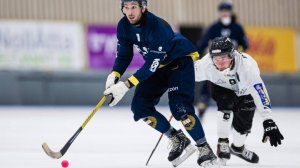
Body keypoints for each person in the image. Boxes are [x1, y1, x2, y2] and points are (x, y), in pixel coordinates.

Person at [103, 0, 217, 167]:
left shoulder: (157, 27)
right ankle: (178, 139)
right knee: (140, 107)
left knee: (180, 108)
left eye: (133, 7)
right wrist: (115, 74)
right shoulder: (123, 26)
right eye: (126, 8)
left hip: (179, 62)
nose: (129, 12)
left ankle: (204, 148)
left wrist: (125, 85)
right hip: (158, 67)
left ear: (143, 8)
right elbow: (124, 55)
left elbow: (151, 65)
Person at [194, 37, 284, 165]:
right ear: (210, 57)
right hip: (221, 88)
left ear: (232, 55)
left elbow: (259, 91)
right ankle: (223, 142)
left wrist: (268, 120)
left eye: (224, 57)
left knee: (243, 127)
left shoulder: (247, 67)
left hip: (245, 92)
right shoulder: (206, 64)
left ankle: (238, 148)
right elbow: (185, 74)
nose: (220, 62)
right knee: (226, 104)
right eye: (216, 58)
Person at [196, 1, 249, 119]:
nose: (225, 14)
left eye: (227, 11)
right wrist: (195, 56)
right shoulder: (214, 28)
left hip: (232, 64)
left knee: (234, 88)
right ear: (219, 13)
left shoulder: (237, 28)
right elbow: (203, 43)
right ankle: (201, 111)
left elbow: (245, 44)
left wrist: (240, 54)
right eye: (222, 11)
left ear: (230, 12)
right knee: (208, 84)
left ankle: (235, 115)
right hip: (216, 64)